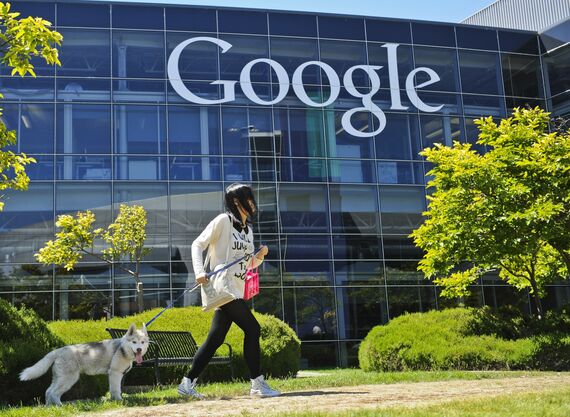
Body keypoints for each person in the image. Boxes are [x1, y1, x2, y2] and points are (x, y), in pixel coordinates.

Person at [178, 183, 281, 399]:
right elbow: (197, 244)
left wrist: (260, 256)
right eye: (248, 198)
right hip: (223, 287)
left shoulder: (248, 231)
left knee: (215, 339)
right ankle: (257, 384)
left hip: (235, 290)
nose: (252, 203)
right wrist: (199, 271)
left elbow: (247, 263)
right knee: (253, 329)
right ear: (236, 201)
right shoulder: (223, 221)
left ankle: (186, 384)